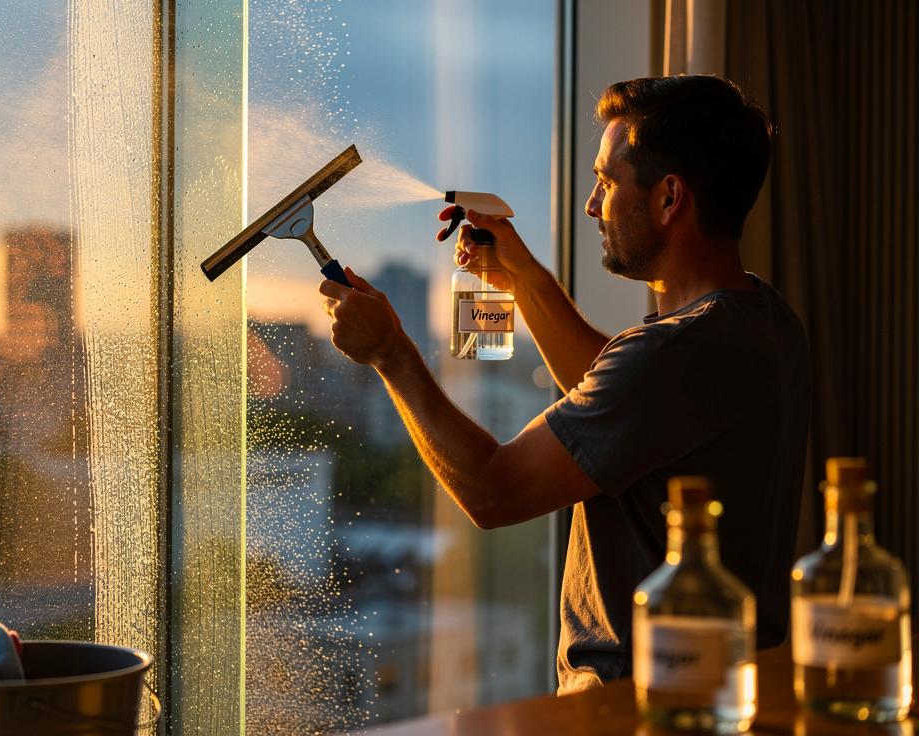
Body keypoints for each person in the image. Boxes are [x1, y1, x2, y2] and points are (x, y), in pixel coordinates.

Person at [318, 75, 811, 694]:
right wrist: (522, 278)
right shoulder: (765, 322)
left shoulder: (671, 354)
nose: (591, 204)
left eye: (608, 181)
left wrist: (391, 353)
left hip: (630, 708)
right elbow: (628, 405)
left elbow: (495, 491)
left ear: (669, 198)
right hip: (723, 689)